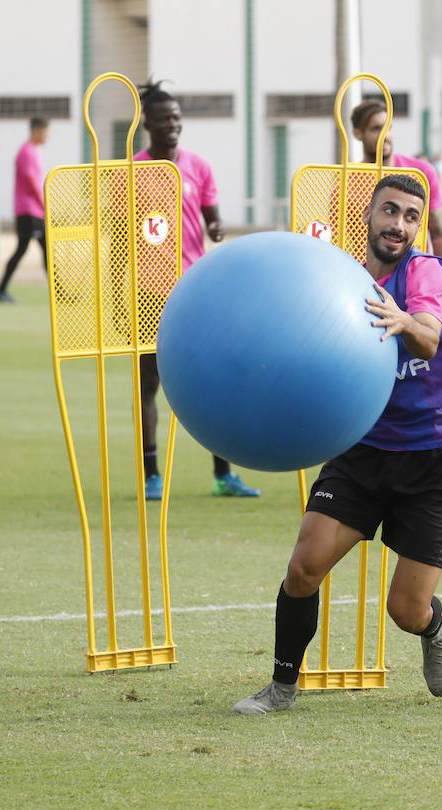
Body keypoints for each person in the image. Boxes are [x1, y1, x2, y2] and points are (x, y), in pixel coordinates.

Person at [231, 174, 442, 714]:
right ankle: (282, 687)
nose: (398, 225)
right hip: (361, 449)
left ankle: (435, 625)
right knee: (303, 567)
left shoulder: (429, 272)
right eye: (389, 212)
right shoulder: (344, 277)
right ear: (369, 215)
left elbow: (427, 332)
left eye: (409, 216)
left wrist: (403, 320)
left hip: (432, 458)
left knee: (405, 609)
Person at [133, 80, 259, 499]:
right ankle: (152, 474)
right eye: (163, 118)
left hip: (194, 290)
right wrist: (120, 295)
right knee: (148, 384)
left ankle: (223, 474)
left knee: (213, 381)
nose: (172, 124)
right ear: (146, 123)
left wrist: (217, 227)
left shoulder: (199, 167)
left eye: (176, 117)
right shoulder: (131, 172)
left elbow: (212, 221)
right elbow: (118, 240)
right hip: (149, 293)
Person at [350, 99, 442, 259]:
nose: (385, 135)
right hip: (367, 276)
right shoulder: (346, 183)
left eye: (388, 128)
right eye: (376, 129)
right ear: (358, 133)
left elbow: (439, 234)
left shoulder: (422, 172)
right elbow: (342, 242)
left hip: (412, 272)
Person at [0, 116, 49, 304]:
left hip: (33, 212)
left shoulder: (31, 151)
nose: (47, 135)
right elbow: (32, 183)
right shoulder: (26, 153)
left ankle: (60, 294)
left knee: (41, 249)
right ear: (37, 131)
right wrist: (44, 205)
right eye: (46, 131)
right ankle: (0, 290)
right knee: (24, 249)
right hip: (29, 212)